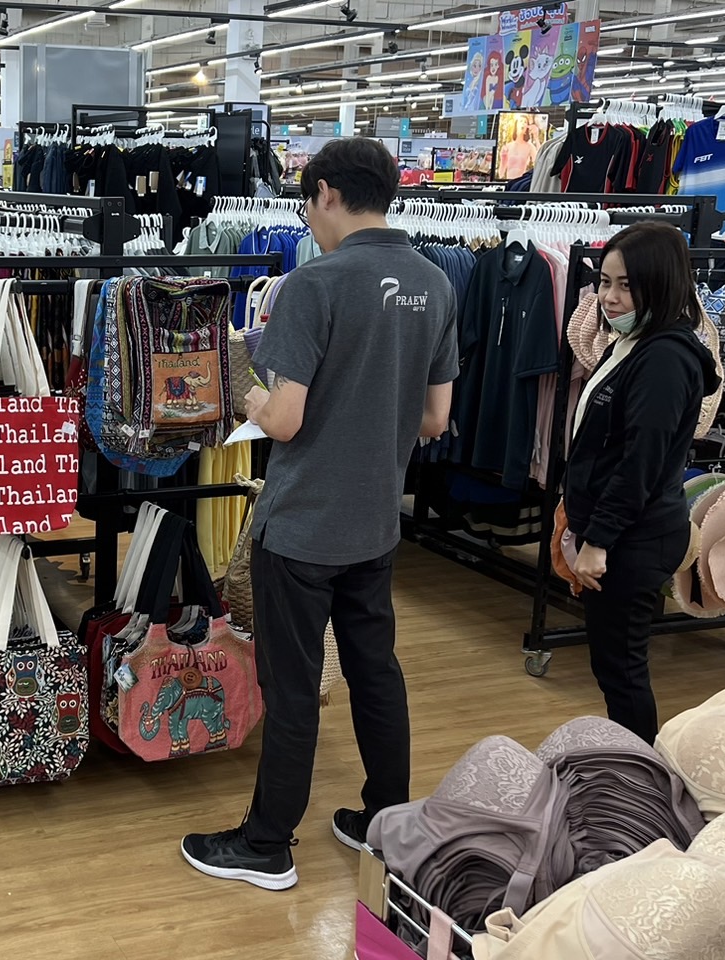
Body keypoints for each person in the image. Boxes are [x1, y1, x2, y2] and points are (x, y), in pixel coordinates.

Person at [180, 138, 459, 891]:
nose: (308, 217)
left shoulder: (314, 283)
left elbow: (286, 420)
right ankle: (386, 822)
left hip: (302, 524)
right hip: (375, 522)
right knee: (376, 672)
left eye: (307, 202)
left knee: (294, 686)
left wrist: (240, 383)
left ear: (327, 192)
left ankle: (267, 843)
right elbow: (436, 419)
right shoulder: (434, 282)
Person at [563, 222, 720, 744]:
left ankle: (640, 776)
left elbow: (640, 463)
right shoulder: (634, 343)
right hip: (624, 530)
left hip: (635, 536)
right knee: (613, 665)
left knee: (622, 670)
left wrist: (599, 540)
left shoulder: (665, 359)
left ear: (660, 283)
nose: (609, 297)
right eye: (605, 282)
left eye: (626, 285)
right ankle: (631, 766)